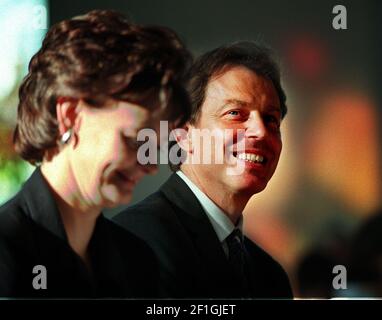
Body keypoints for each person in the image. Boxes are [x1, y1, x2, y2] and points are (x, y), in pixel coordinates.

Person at [0, 9, 191, 298]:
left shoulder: (138, 261)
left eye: (155, 146)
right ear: (70, 116)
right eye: (135, 140)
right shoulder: (5, 253)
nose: (151, 165)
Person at [114, 42, 293, 298]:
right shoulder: (136, 242)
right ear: (184, 135)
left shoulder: (270, 276)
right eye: (235, 113)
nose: (261, 131)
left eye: (270, 119)